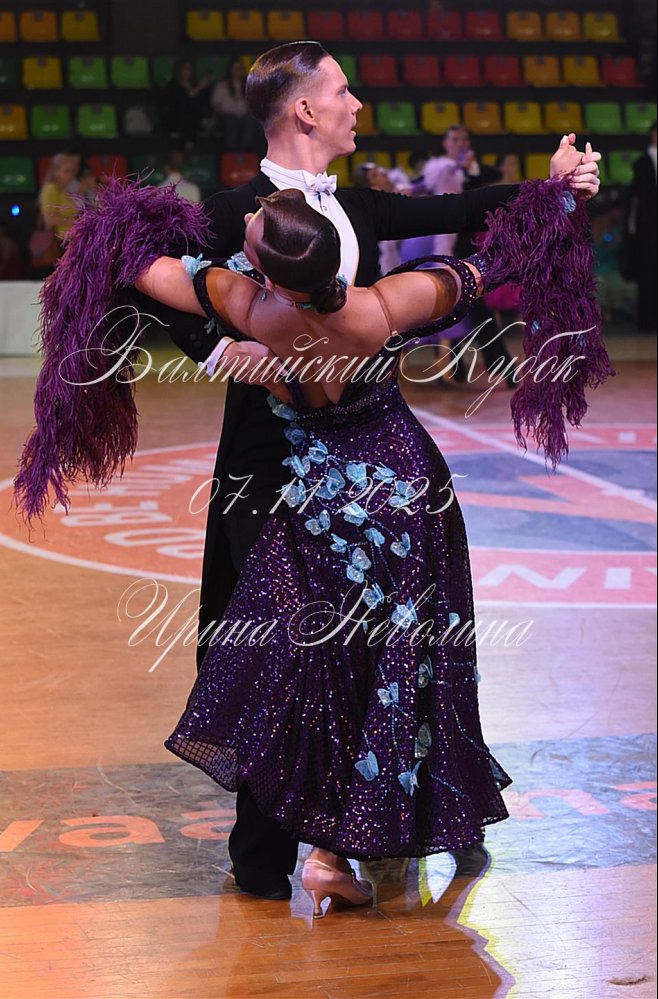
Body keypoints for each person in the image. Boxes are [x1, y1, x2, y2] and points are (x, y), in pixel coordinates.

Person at [15, 174, 610, 917]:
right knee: (399, 662)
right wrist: (559, 197)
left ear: (267, 272)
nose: (251, 214)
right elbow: (490, 265)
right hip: (405, 497)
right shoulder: (382, 305)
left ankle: (326, 849)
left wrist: (109, 229)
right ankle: (345, 848)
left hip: (322, 510)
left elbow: (140, 264)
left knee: (319, 669)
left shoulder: (250, 310)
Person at [128, 41, 601, 902]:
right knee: (271, 644)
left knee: (363, 646)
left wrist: (549, 184)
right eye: (343, 90)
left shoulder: (352, 211)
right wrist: (219, 352)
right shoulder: (234, 211)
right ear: (304, 108)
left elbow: (464, 205)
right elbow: (470, 268)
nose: (356, 104)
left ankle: (356, 838)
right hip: (271, 464)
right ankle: (275, 852)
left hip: (366, 466)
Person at [627, 122, 657, 331]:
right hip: (648, 228)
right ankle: (647, 320)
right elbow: (640, 199)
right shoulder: (641, 163)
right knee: (648, 274)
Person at [211, 57, 263, 153]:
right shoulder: (221, 86)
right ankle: (231, 153)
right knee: (231, 121)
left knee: (250, 121)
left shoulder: (249, 85)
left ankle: (246, 152)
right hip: (227, 117)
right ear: (230, 70)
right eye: (235, 68)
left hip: (245, 116)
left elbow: (254, 106)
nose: (238, 71)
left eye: (240, 68)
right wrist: (232, 106)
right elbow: (217, 107)